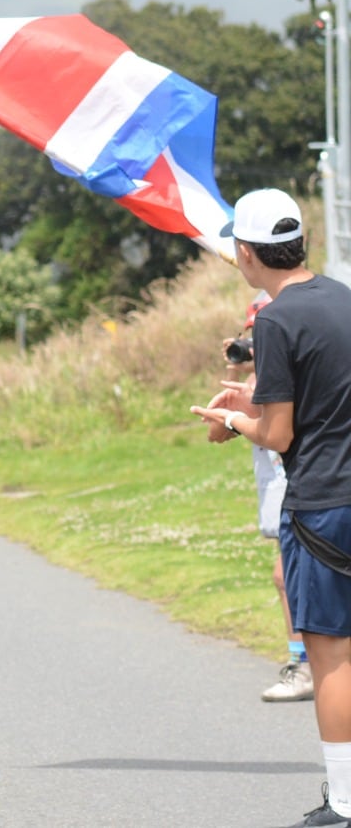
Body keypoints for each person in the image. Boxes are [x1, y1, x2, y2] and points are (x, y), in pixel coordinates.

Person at [190, 189, 351, 827]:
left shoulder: (275, 321)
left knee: (332, 655)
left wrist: (233, 418)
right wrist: (254, 400)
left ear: (246, 254)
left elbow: (279, 435)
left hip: (321, 504)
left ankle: (345, 803)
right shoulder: (343, 297)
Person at [210, 290, 313, 702]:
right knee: (289, 577)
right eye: (251, 336)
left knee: (288, 576)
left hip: (302, 489)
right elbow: (219, 429)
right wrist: (236, 376)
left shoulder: (295, 375)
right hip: (279, 494)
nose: (257, 345)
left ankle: (304, 666)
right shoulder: (255, 381)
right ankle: (305, 662)